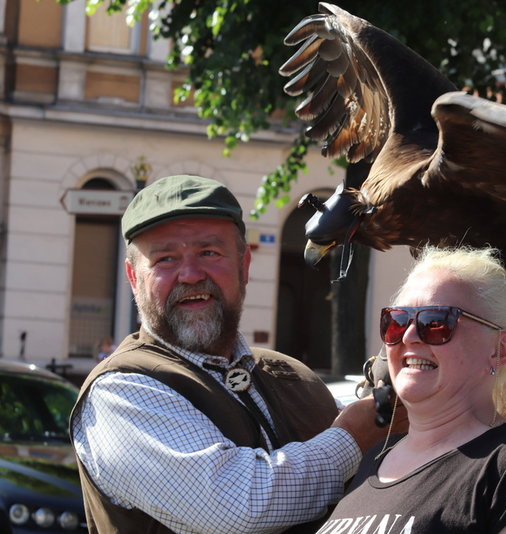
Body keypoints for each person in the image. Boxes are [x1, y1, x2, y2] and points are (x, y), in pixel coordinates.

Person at [70, 175, 392, 534]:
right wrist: (353, 437)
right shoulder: (120, 390)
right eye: (165, 259)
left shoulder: (291, 373)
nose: (190, 275)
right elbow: (237, 507)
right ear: (133, 278)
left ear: (243, 266)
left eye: (209, 252)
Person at [317, 247, 506, 534]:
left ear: (500, 349)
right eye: (397, 321)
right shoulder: (374, 459)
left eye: (436, 322)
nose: (409, 336)